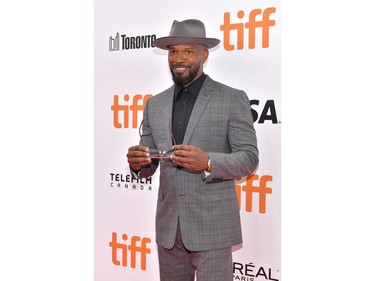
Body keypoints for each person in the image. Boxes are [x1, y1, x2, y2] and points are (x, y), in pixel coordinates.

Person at [126, 19, 259, 281]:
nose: (179, 58)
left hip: (213, 228)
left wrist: (208, 162)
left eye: (188, 51)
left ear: (204, 55)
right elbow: (150, 159)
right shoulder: (156, 103)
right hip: (169, 231)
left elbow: (249, 158)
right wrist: (138, 162)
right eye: (173, 51)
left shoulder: (232, 98)